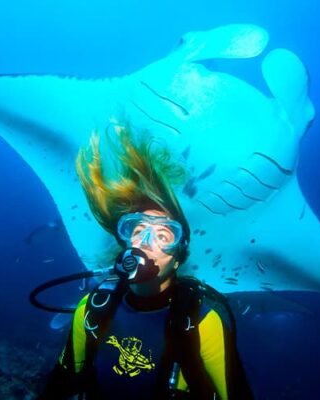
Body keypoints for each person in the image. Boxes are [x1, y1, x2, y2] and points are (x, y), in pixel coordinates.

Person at [38, 124, 253, 399]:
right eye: (137, 230)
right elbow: (60, 385)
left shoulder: (201, 322)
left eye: (164, 235)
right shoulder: (94, 310)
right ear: (125, 243)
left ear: (178, 258)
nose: (147, 241)